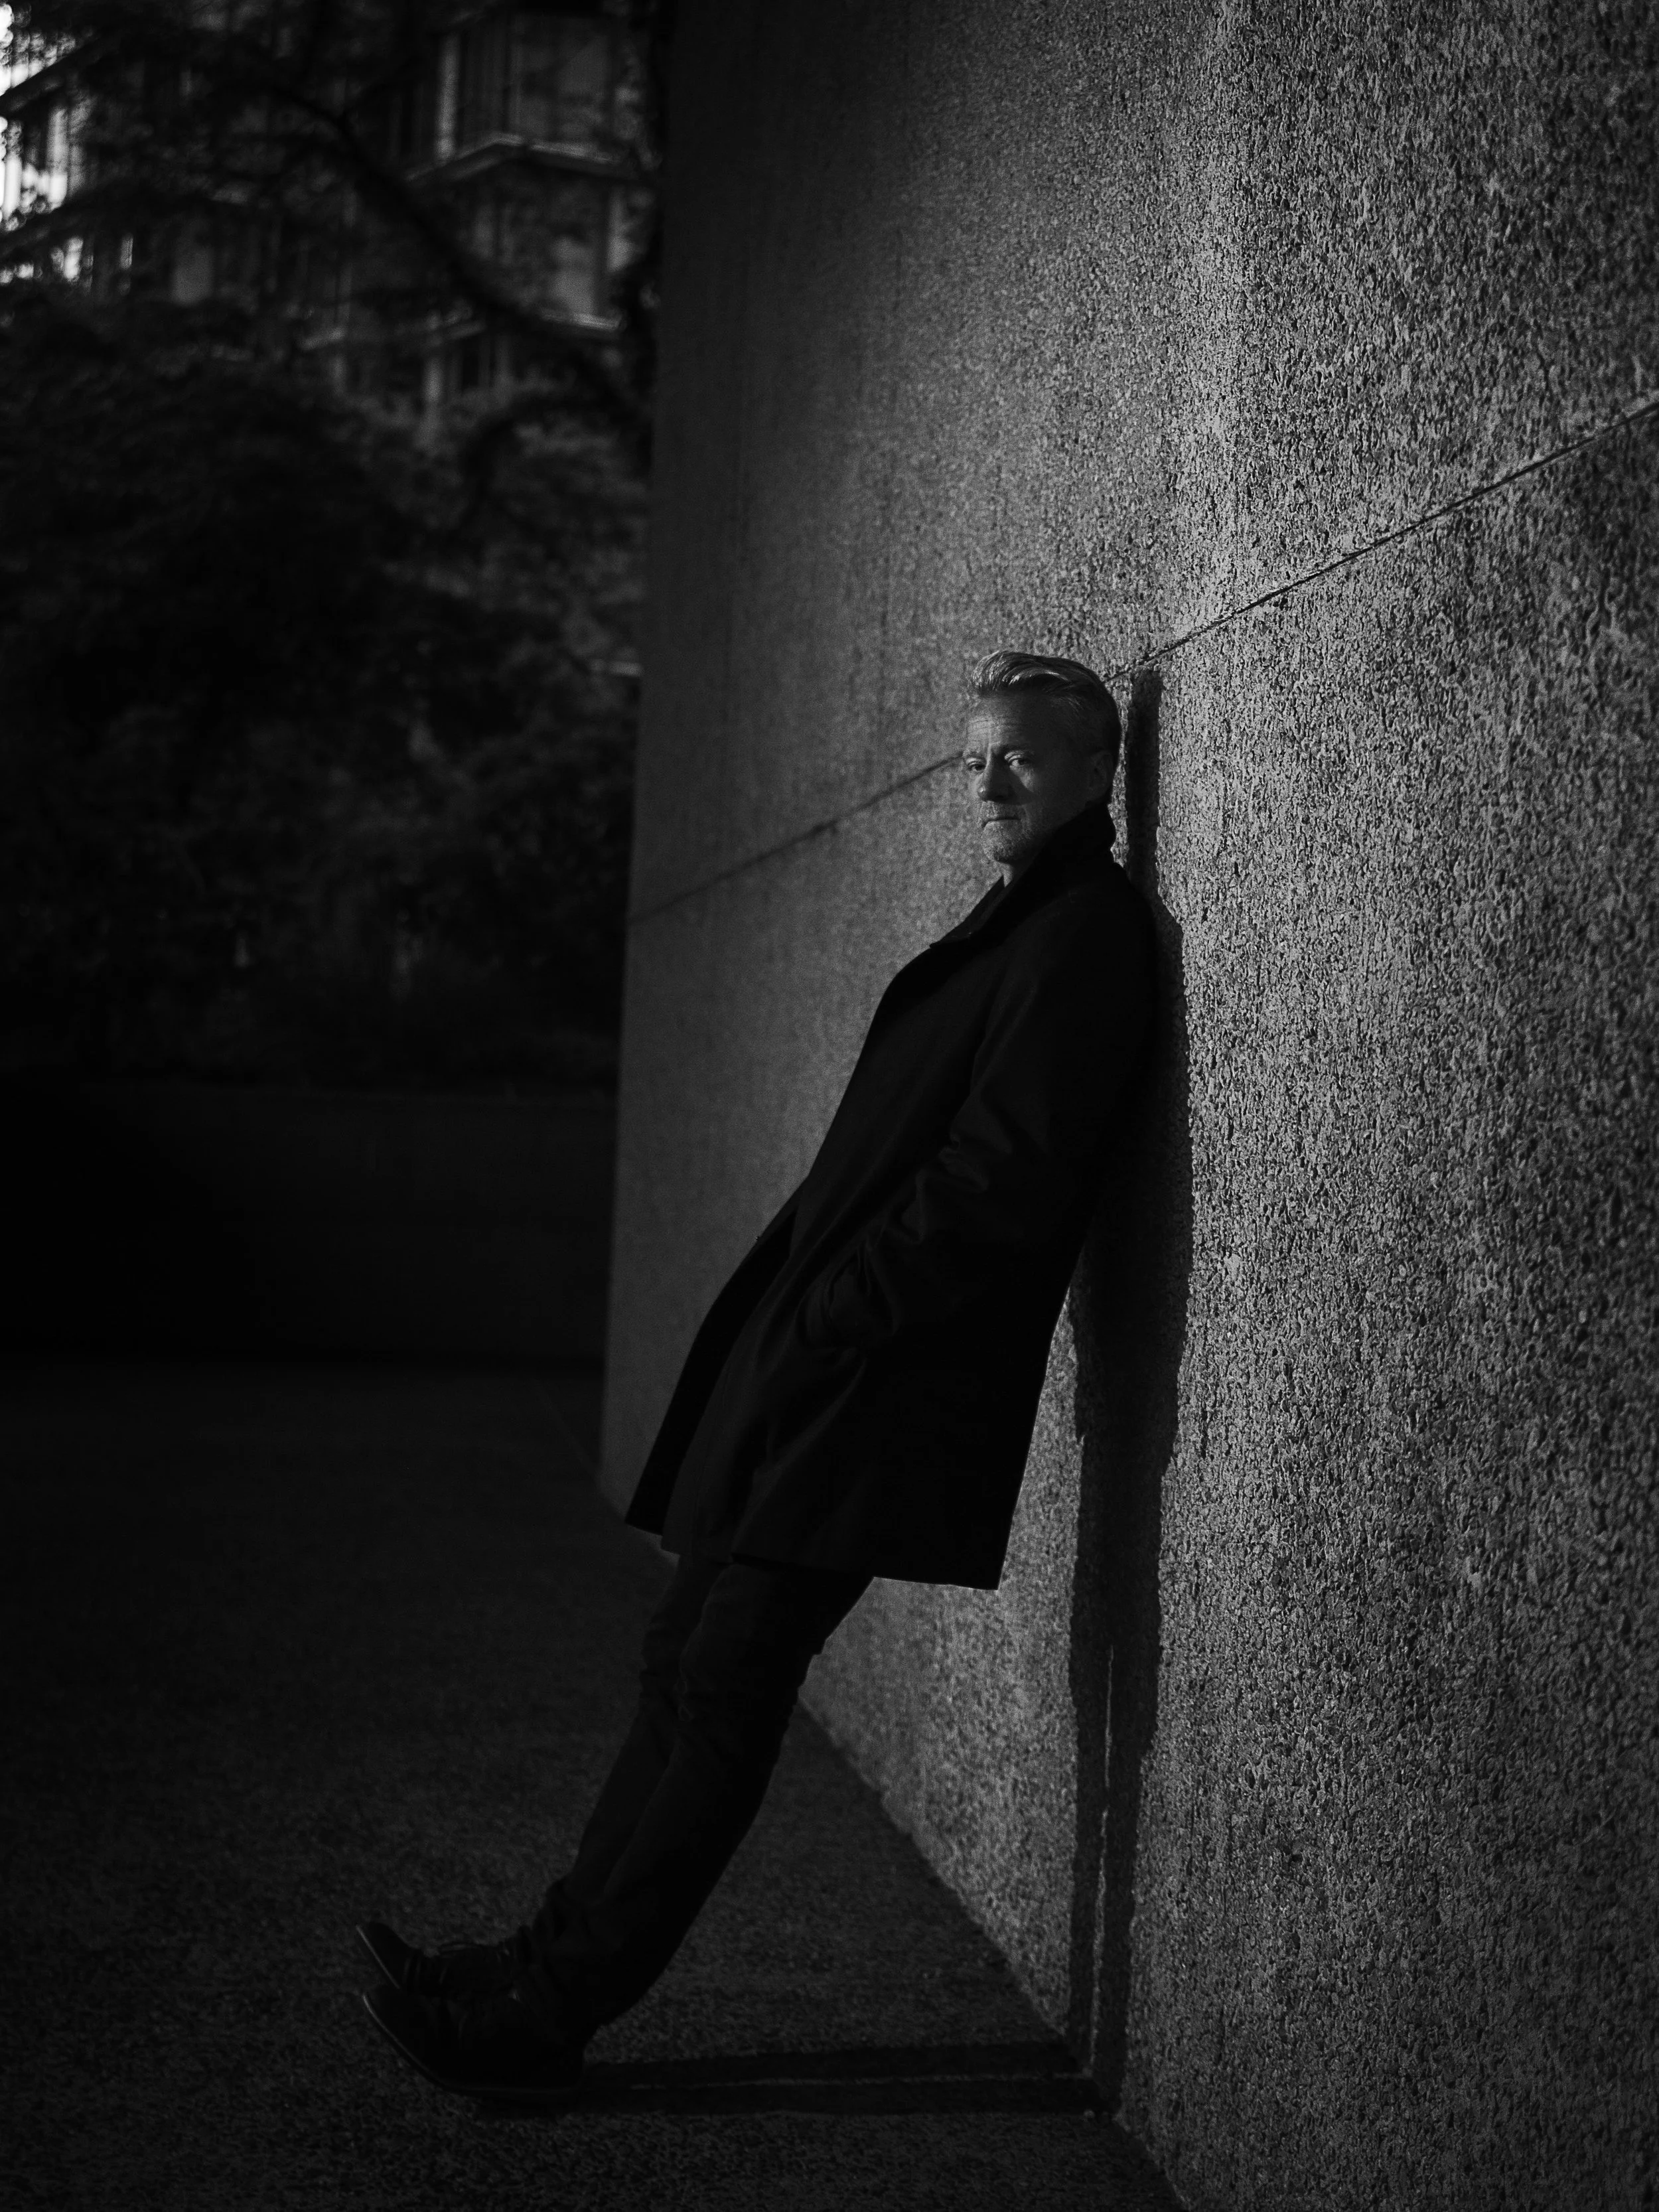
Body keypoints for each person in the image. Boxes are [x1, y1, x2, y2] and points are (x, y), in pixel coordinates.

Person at [360, 648, 1157, 2101]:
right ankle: (532, 1959)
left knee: (725, 1679)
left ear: (1097, 770)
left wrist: (844, 1308)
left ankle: (546, 2014)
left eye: (1021, 758)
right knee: (683, 1658)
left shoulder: (1086, 933)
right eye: (976, 753)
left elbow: (1003, 1181)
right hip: (830, 1372)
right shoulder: (1029, 915)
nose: (985, 781)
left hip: (881, 1383)